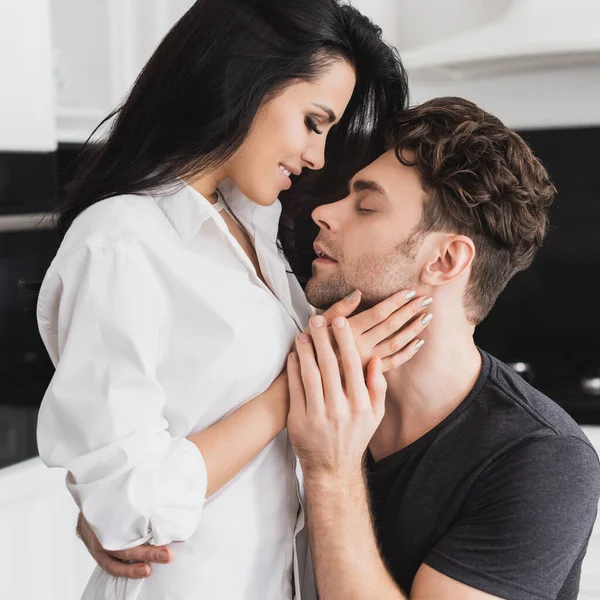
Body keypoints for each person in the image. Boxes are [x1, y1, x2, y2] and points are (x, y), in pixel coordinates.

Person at [85, 97, 600, 599]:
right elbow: (152, 475)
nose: (325, 213)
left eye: (367, 206)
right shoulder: (300, 364)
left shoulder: (543, 460)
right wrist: (117, 517)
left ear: (444, 261)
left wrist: (331, 471)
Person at [35, 1, 422, 599]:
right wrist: (299, 384)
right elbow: (126, 506)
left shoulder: (254, 233)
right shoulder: (121, 240)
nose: (318, 156)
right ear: (246, 78)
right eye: (314, 122)